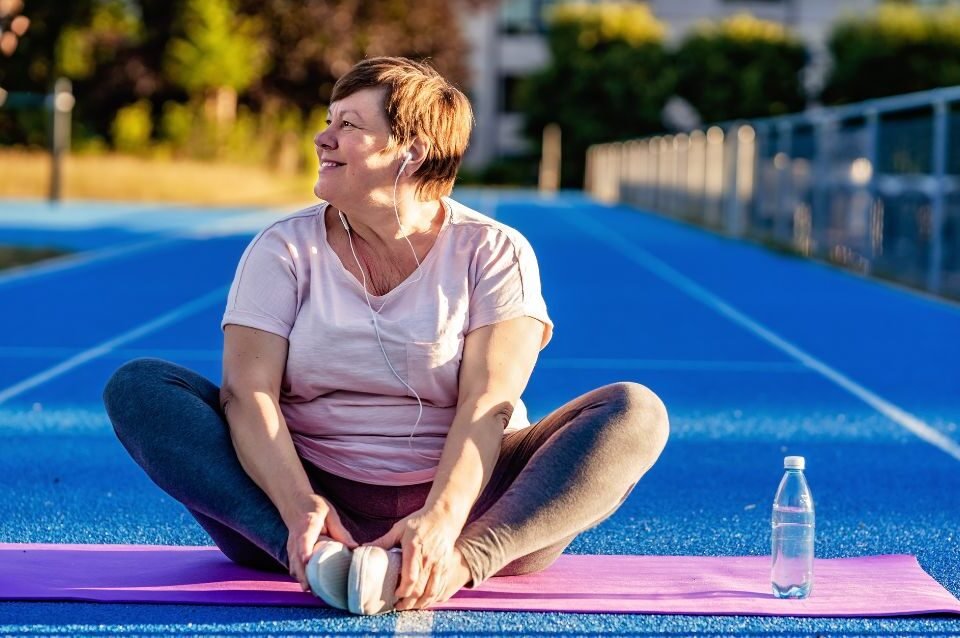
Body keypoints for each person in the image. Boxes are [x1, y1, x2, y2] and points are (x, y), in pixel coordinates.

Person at [102, 56, 669, 615]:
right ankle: (311, 555)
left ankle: (458, 565)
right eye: (328, 121)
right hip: (296, 493)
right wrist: (300, 509)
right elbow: (247, 395)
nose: (323, 138)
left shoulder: (495, 251)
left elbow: (488, 403)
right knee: (140, 386)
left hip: (474, 502)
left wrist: (445, 524)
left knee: (635, 411)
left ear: (412, 150)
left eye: (348, 125)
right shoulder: (281, 248)